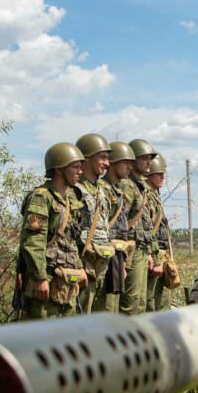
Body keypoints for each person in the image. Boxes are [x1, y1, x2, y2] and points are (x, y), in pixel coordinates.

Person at [16, 142, 87, 320]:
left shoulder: (71, 200)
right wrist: (40, 279)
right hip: (47, 279)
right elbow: (33, 242)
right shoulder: (41, 197)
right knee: (42, 334)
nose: (80, 172)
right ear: (59, 168)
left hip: (67, 280)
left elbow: (72, 241)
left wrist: (78, 270)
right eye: (75, 167)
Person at [75, 133, 115, 313]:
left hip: (102, 264)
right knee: (81, 319)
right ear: (87, 158)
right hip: (84, 264)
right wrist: (77, 267)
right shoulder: (75, 191)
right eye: (102, 157)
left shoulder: (101, 191)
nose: (107, 163)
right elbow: (69, 235)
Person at [120, 138, 157, 315]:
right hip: (131, 249)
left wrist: (149, 251)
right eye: (144, 158)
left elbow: (145, 223)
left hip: (141, 248)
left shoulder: (140, 185)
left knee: (141, 302)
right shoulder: (127, 185)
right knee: (131, 302)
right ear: (133, 160)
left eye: (150, 158)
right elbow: (121, 221)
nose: (149, 161)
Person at [103, 141, 136, 313]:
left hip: (116, 256)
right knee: (106, 311)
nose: (130, 167)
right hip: (105, 257)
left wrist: (121, 263)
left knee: (113, 310)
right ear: (113, 162)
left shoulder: (117, 191)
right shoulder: (103, 190)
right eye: (126, 162)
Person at [144, 154, 172, 312]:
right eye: (158, 174)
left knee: (162, 301)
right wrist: (155, 259)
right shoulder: (146, 196)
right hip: (154, 256)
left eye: (163, 174)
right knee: (151, 301)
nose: (162, 177)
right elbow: (147, 230)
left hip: (161, 253)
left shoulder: (154, 196)